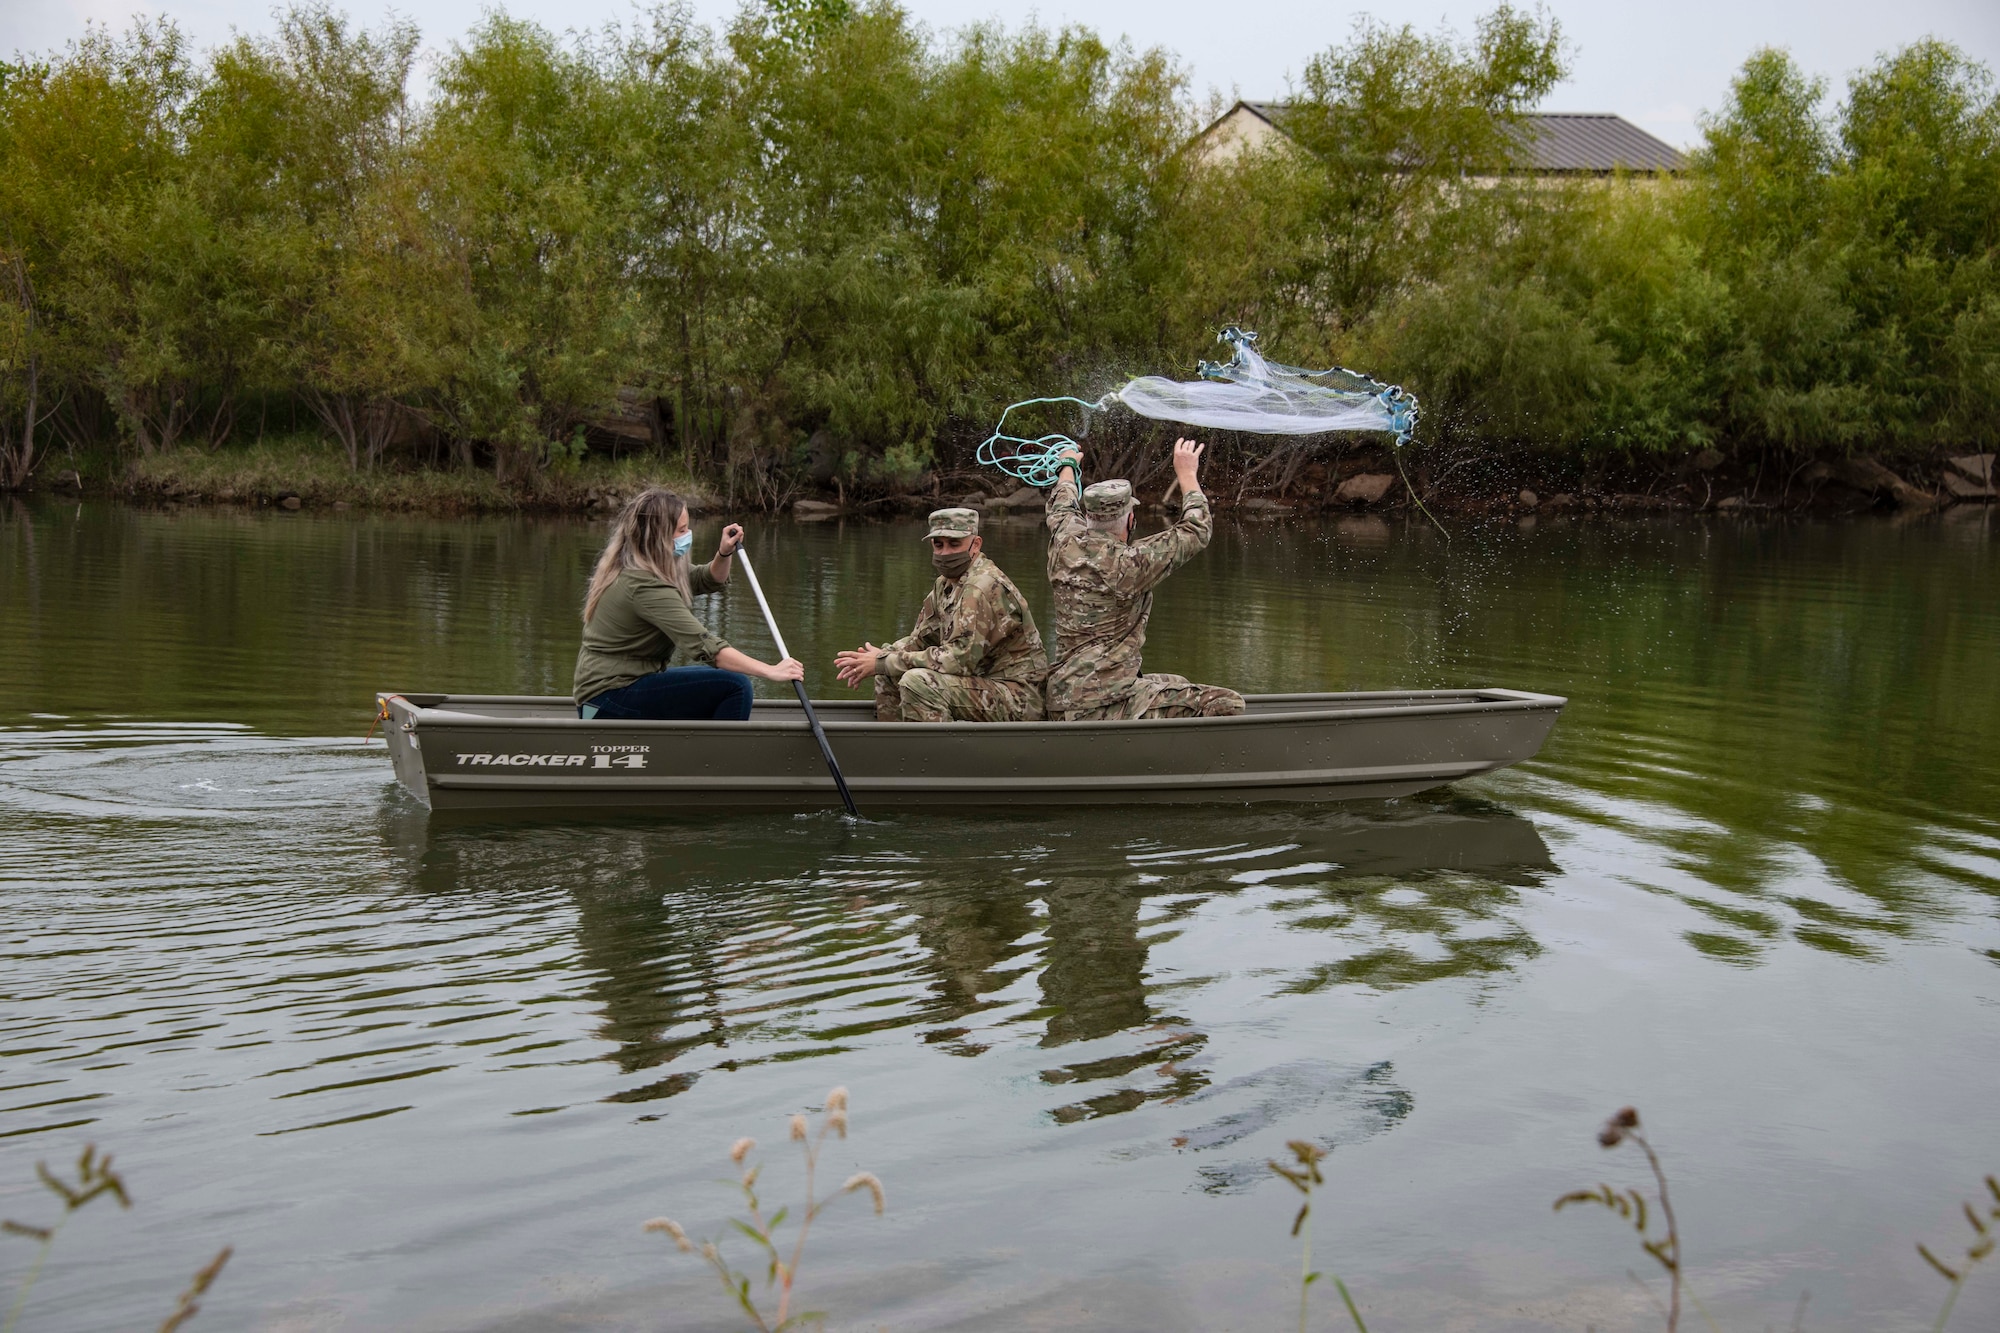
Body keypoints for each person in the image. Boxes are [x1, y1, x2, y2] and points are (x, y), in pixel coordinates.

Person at [1042, 437, 1245, 722]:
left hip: (1062, 696)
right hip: (1103, 705)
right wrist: (1186, 474)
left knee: (1174, 679)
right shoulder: (1130, 563)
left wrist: (1066, 465)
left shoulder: (1065, 542)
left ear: (1089, 516)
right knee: (1226, 703)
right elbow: (1197, 529)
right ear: (1129, 520)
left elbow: (1061, 503)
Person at [572, 488, 803, 720]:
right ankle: (715, 756)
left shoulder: (647, 566)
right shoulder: (645, 585)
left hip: (615, 689)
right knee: (735, 686)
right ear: (659, 537)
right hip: (608, 698)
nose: (688, 534)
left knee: (717, 685)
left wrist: (724, 553)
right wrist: (771, 670)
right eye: (682, 530)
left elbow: (707, 579)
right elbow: (706, 647)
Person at [832, 507, 1048, 722]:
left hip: (1019, 697)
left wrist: (885, 662)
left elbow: (959, 660)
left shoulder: (981, 587)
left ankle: (933, 754)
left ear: (976, 544)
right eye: (938, 544)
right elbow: (921, 640)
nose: (945, 553)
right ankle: (897, 749)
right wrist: (879, 658)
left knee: (918, 683)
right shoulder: (945, 585)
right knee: (888, 673)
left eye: (954, 544)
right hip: (981, 685)